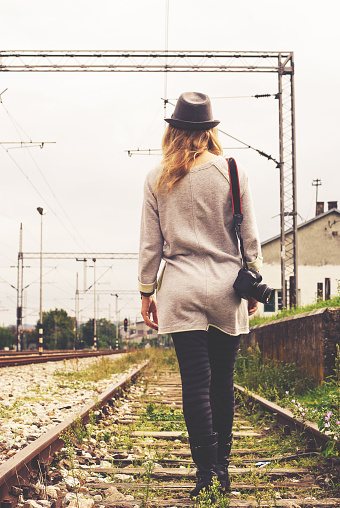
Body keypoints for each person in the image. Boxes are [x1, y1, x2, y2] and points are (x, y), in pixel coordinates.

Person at [138, 92, 262, 497]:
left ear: (172, 130)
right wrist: (254, 281)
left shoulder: (156, 177)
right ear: (210, 131)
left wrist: (145, 290)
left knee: (195, 383)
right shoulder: (231, 169)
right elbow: (250, 238)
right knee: (222, 383)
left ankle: (205, 474)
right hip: (226, 287)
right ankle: (222, 470)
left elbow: (150, 246)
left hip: (180, 288)